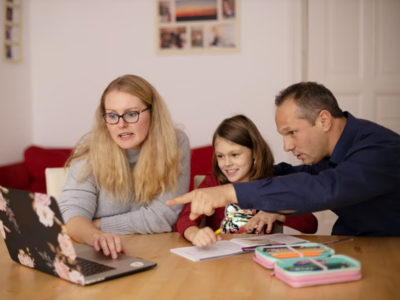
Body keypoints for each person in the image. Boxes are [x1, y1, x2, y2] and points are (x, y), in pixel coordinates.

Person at [167, 82, 400, 236]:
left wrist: (230, 192)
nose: (287, 146)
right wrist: (250, 173)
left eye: (292, 133)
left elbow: (325, 188)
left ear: (324, 120)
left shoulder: (380, 149)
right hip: (352, 245)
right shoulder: (327, 155)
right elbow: (295, 174)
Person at [59, 75, 190, 259]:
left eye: (131, 114)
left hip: (157, 254)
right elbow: (72, 214)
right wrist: (95, 235)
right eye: (112, 115)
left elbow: (163, 217)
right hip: (98, 253)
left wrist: (95, 224)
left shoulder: (175, 142)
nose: (121, 124)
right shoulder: (90, 147)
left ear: (153, 113)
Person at [175, 115, 317, 247]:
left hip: (259, 260)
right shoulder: (213, 182)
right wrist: (195, 234)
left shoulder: (271, 185)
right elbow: (184, 219)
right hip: (220, 262)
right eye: (220, 156)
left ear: (254, 152)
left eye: (235, 155)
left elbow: (311, 224)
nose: (227, 163)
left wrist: (278, 212)